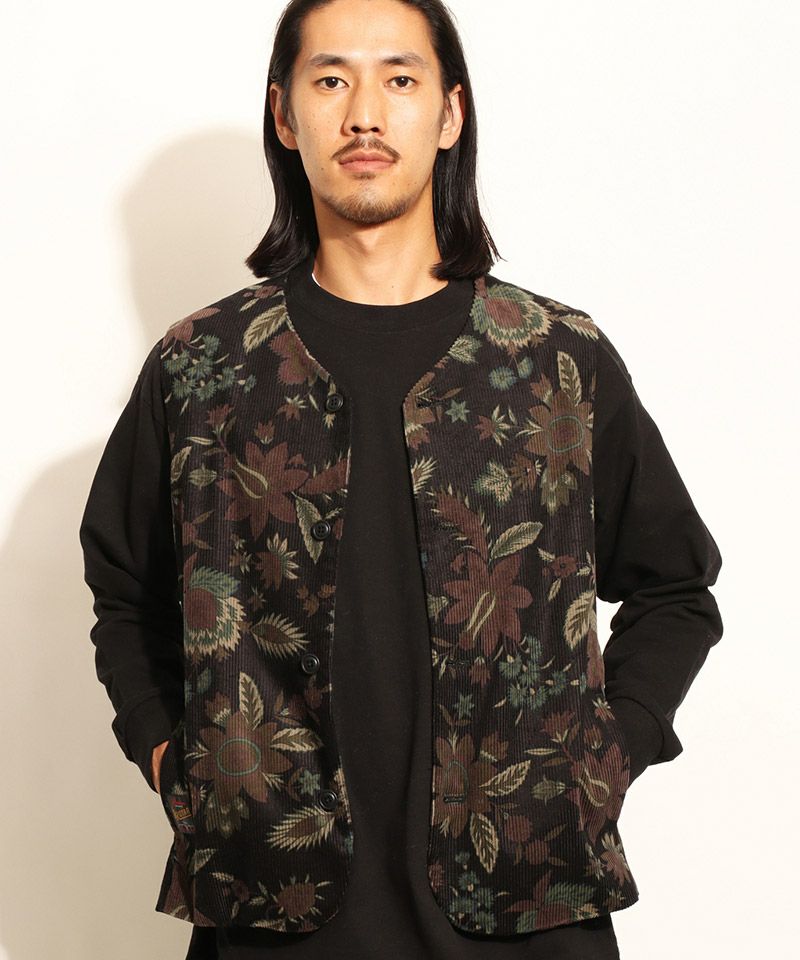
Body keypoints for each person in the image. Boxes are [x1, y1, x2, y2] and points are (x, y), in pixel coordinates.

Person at [79, 1, 724, 957]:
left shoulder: (556, 360)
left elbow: (676, 586)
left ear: (450, 113)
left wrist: (601, 759)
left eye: (400, 78)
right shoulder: (203, 367)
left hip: (531, 910)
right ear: (285, 116)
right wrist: (177, 762)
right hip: (271, 908)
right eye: (331, 79)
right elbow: (126, 595)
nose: (365, 114)